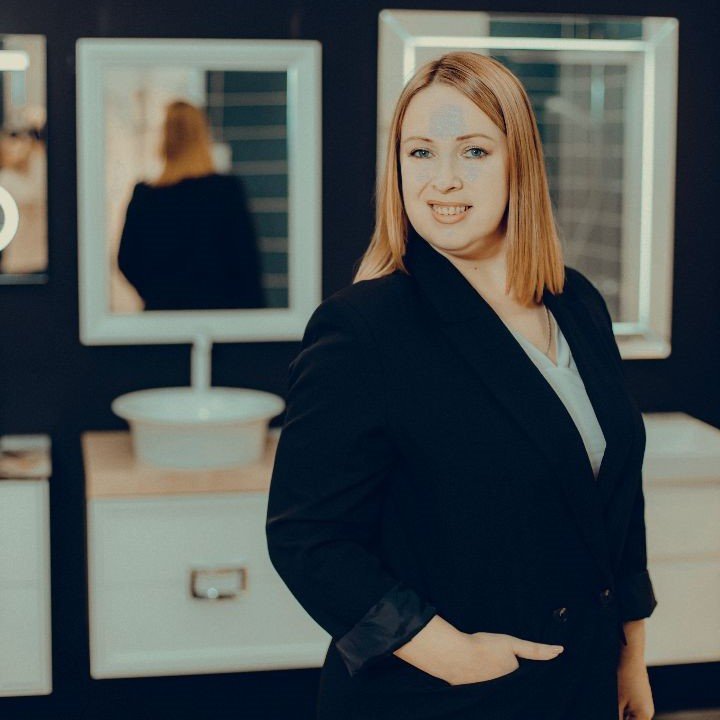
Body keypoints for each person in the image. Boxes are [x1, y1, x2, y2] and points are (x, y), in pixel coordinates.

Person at [265, 51, 657, 720]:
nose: (442, 179)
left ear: (519, 164)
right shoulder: (365, 328)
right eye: (420, 152)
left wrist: (630, 655)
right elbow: (309, 538)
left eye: (473, 151)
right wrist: (456, 656)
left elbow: (615, 503)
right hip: (442, 697)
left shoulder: (577, 304)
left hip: (581, 683)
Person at [117, 100, 265, 310]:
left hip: (163, 316)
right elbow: (246, 263)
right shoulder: (226, 192)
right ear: (203, 136)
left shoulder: (146, 197)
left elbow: (127, 261)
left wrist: (158, 295)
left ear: (165, 139)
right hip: (221, 315)